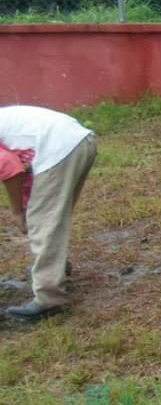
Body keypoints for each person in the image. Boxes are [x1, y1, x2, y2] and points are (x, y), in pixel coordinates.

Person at [0, 106, 97, 320]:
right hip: (80, 140)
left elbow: (10, 168)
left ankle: (50, 299)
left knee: (42, 223)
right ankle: (56, 269)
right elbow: (25, 173)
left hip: (59, 148)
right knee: (51, 218)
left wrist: (17, 212)